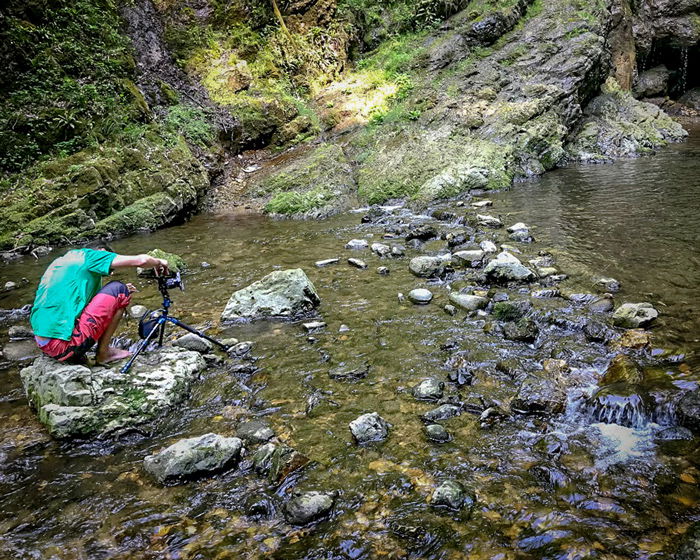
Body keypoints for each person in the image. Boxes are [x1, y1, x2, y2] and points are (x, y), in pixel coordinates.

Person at [30, 245, 169, 364]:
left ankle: (95, 350)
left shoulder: (63, 262)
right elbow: (142, 260)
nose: (109, 273)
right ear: (102, 251)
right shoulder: (90, 256)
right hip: (63, 347)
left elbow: (80, 305)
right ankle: (104, 353)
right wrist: (159, 262)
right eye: (110, 269)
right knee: (119, 290)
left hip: (45, 344)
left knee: (117, 292)